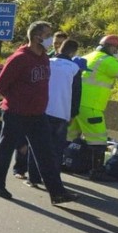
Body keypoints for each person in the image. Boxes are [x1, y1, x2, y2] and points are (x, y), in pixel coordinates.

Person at [0, 20, 78, 205]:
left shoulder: (44, 57)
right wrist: (15, 101)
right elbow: (0, 84)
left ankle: (57, 193)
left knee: (46, 154)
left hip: (38, 114)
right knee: (6, 149)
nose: (49, 39)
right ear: (37, 37)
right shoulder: (19, 58)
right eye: (47, 35)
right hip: (16, 113)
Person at [22, 38, 83, 187]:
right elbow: (76, 95)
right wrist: (72, 114)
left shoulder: (47, 62)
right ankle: (53, 181)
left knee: (36, 146)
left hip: (41, 110)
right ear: (73, 52)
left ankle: (34, 178)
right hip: (61, 113)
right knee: (56, 149)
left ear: (60, 48)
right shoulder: (74, 68)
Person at [67, 34, 118, 181]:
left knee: (70, 135)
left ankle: (65, 162)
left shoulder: (89, 56)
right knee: (98, 139)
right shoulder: (107, 61)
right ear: (111, 47)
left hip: (75, 103)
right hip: (91, 106)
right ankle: (97, 171)